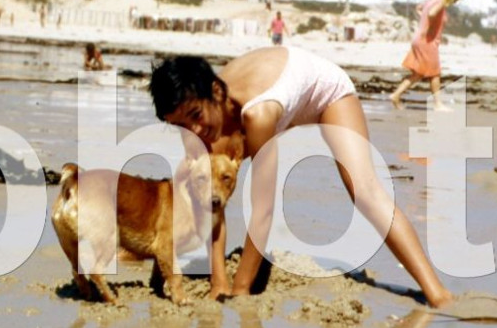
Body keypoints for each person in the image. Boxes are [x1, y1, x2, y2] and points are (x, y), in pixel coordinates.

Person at [149, 47, 454, 307]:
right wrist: (219, 281)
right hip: (280, 93)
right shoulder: (196, 120)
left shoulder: (258, 114)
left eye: (195, 117)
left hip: (325, 93)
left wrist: (241, 289)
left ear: (215, 93)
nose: (194, 132)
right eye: (181, 126)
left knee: (365, 192)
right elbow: (212, 203)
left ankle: (437, 294)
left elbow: (264, 210)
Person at [389, 0, 465, 111]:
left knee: (418, 73)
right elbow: (431, 14)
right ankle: (437, 104)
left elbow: (419, 8)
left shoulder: (431, 0)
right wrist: (430, 22)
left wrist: (426, 22)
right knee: (434, 74)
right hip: (427, 42)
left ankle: (396, 95)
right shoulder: (440, 1)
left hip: (419, 38)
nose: (456, 1)